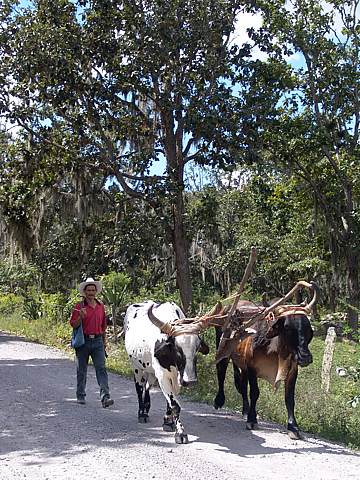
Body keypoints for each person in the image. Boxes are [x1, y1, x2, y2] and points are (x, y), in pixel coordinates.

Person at [70, 277, 114, 408]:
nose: (91, 293)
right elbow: (73, 324)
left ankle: (105, 397)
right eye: (88, 290)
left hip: (98, 341)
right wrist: (80, 317)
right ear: (84, 292)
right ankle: (80, 395)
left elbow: (103, 326)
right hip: (83, 341)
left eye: (93, 290)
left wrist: (104, 342)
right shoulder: (79, 307)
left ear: (96, 291)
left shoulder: (101, 306)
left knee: (101, 369)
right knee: (81, 370)